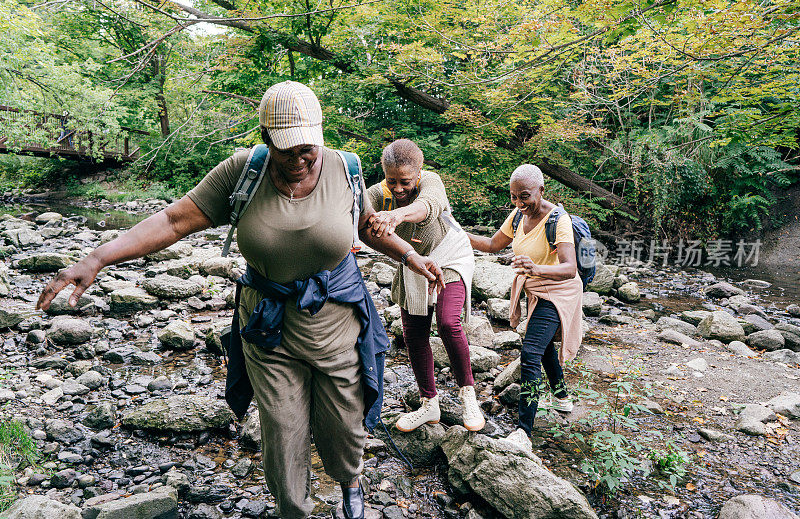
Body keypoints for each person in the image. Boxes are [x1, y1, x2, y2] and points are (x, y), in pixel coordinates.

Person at [37, 81, 445, 519]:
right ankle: (294, 510)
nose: (299, 159)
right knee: (283, 434)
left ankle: (350, 481)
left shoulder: (345, 168)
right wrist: (98, 257)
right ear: (266, 137)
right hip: (269, 328)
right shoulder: (241, 172)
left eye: (307, 147)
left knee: (345, 426)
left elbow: (364, 226)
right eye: (286, 149)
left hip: (337, 323)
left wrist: (410, 255)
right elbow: (174, 221)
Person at [366, 139, 485, 432]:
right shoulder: (377, 195)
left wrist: (396, 215)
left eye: (405, 181)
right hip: (412, 262)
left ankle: (468, 395)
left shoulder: (431, 181)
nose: (397, 188)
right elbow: (355, 213)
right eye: (391, 180)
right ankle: (429, 404)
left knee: (447, 323)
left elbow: (427, 207)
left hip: (450, 256)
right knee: (414, 334)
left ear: (418, 172)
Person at [466, 164, 583, 451]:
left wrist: (535, 267)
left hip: (558, 293)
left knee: (530, 354)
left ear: (542, 191)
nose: (519, 204)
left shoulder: (559, 220)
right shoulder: (518, 215)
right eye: (514, 198)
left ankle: (524, 431)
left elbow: (569, 268)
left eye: (525, 197)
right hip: (536, 289)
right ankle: (561, 394)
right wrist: (457, 234)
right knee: (541, 347)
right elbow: (493, 245)